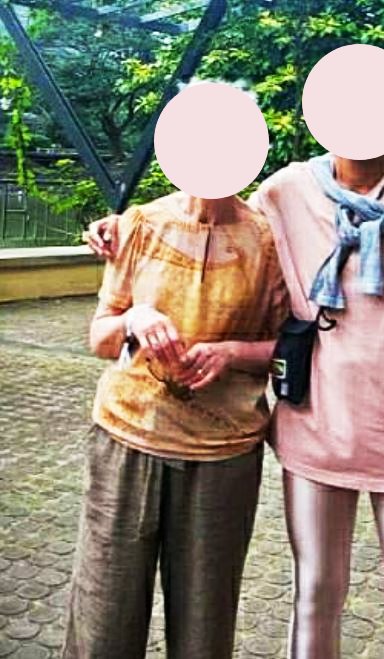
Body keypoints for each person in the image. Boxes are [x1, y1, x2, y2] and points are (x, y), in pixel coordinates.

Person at [89, 149, 384, 659]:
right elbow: (216, 209)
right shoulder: (289, 189)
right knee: (315, 595)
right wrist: (123, 226)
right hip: (314, 431)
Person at [64, 192, 289, 659]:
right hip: (127, 440)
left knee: (204, 629)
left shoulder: (267, 240)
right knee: (103, 619)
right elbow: (100, 337)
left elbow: (290, 348)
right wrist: (134, 318)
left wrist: (232, 353)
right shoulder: (139, 225)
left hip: (223, 454)